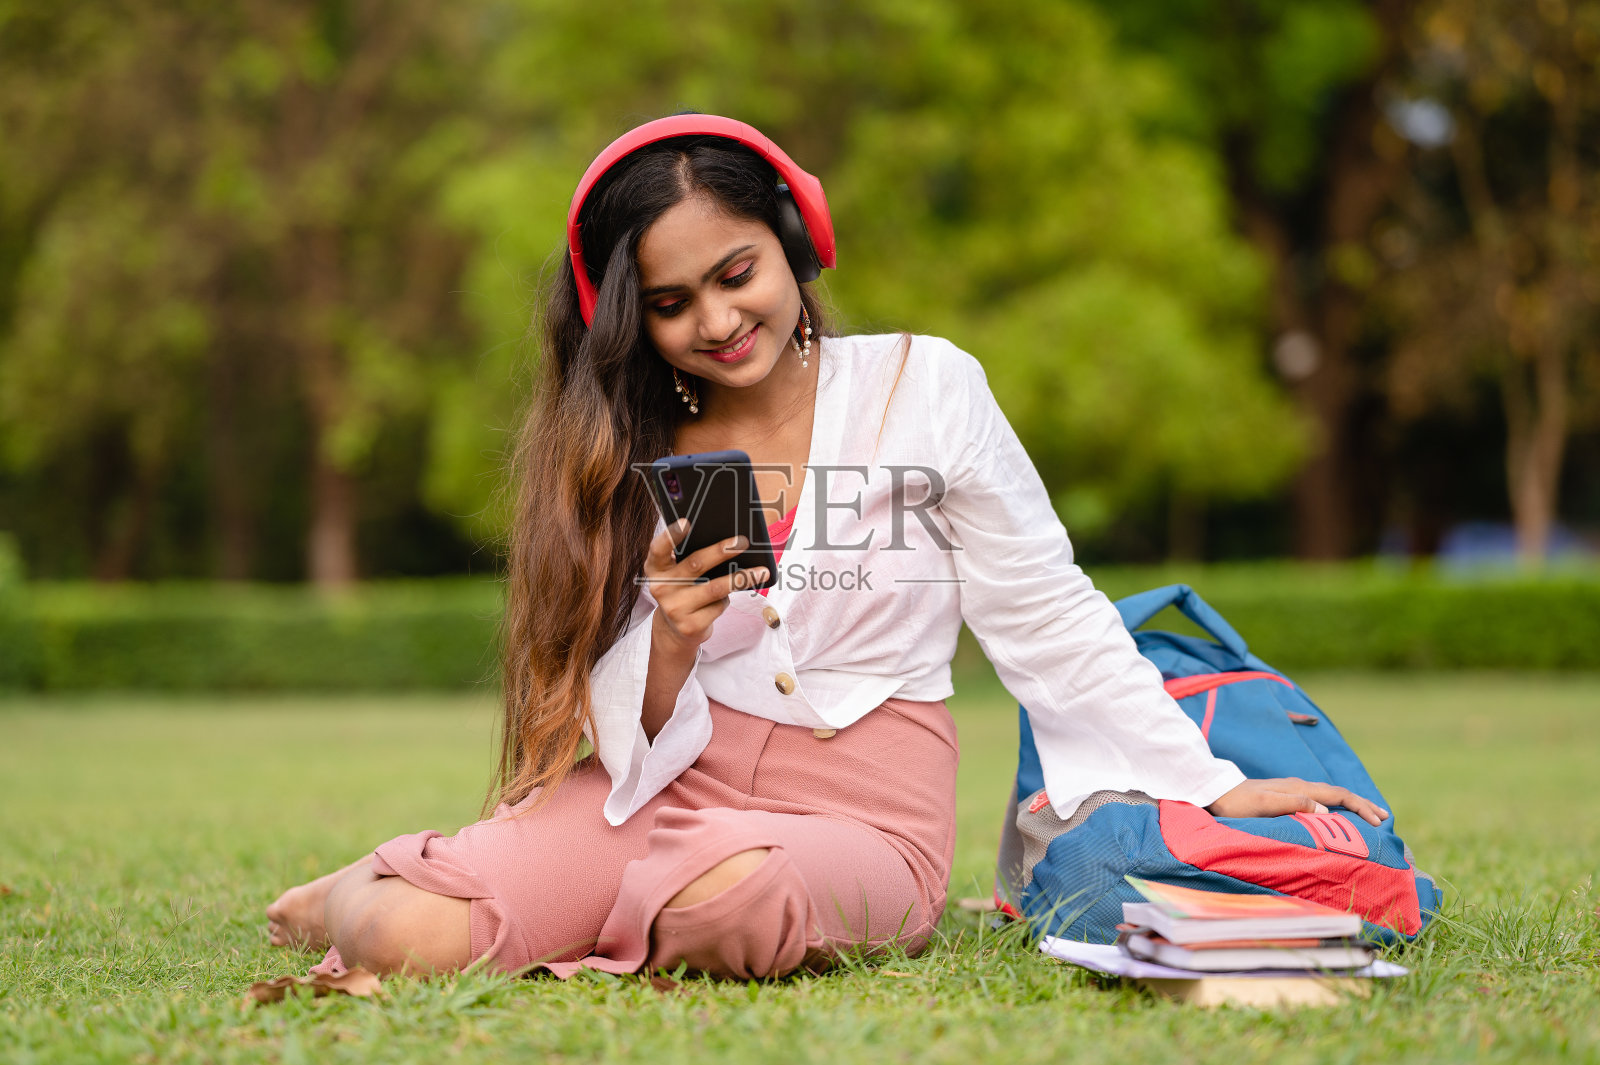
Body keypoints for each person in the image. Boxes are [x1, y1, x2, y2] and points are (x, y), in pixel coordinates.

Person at [264, 114, 1388, 981]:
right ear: (633, 318)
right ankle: (386, 882)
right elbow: (611, 713)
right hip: (662, 782)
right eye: (671, 302)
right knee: (395, 937)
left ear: (795, 241)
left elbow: (1045, 611)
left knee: (726, 904)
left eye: (735, 273)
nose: (716, 321)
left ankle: (550, 888)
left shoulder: (923, 386)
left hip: (866, 809)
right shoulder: (629, 447)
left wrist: (1205, 785)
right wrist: (670, 636)